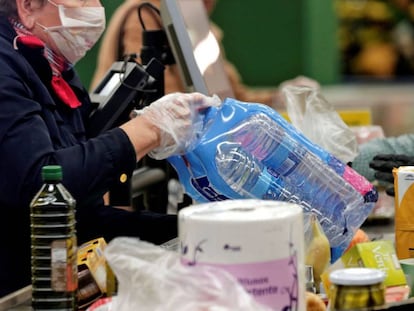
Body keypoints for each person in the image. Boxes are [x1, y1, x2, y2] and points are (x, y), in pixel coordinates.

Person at [0, 0, 218, 297]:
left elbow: (84, 213)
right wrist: (148, 130)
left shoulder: (53, 66)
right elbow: (43, 187)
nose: (95, 6)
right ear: (27, 6)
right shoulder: (6, 68)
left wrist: (192, 233)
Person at [90, 0, 318, 107]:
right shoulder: (143, 15)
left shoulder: (200, 27)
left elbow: (231, 97)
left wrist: (280, 97)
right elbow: (155, 101)